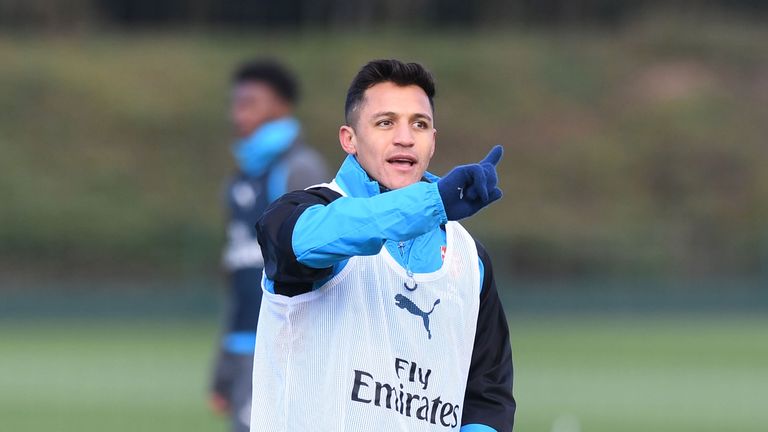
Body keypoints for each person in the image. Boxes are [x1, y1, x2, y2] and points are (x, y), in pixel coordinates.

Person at [252, 59, 515, 431]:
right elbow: (319, 241)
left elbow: (487, 399)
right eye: (385, 122)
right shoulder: (302, 213)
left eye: (419, 124)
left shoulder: (471, 259)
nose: (405, 137)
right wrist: (431, 203)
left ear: (433, 142)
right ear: (350, 139)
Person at [210, 58, 328, 432]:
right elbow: (239, 276)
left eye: (249, 103)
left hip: (288, 343)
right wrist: (225, 362)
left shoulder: (299, 168)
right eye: (235, 103)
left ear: (280, 107)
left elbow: (325, 262)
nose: (237, 114)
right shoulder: (239, 180)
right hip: (247, 342)